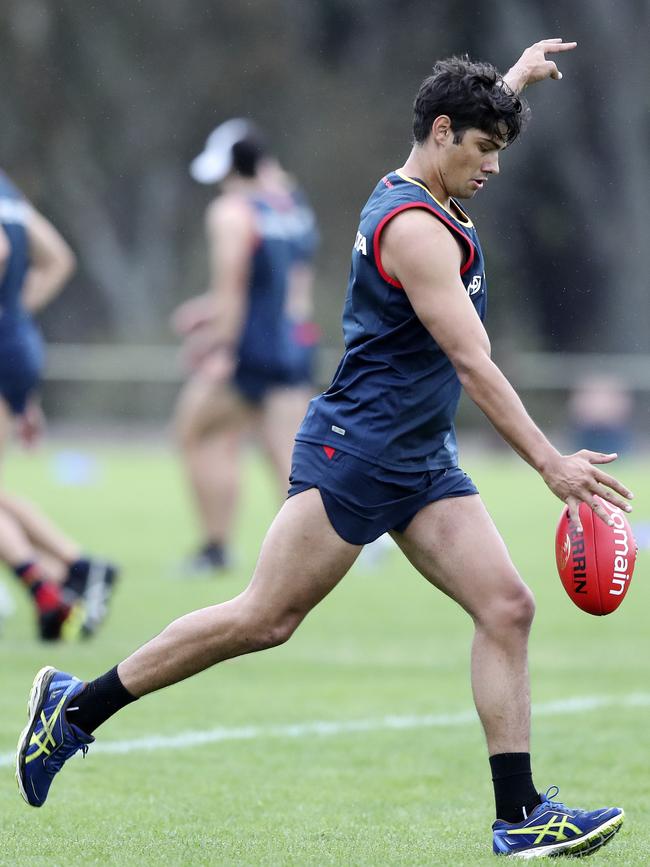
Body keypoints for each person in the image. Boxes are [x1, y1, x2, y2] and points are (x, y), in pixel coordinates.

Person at [16, 40, 632, 857]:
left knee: (507, 606)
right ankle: (75, 706)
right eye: (484, 149)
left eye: (500, 151)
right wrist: (551, 462)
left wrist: (510, 83)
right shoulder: (415, 230)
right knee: (264, 618)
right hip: (360, 451)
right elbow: (473, 362)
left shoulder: (426, 176)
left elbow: (468, 128)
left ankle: (519, 817)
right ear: (443, 133)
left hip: (419, 458)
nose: (492, 167)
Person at [171, 119, 320, 573]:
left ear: (232, 168)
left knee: (195, 431)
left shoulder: (232, 212)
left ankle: (216, 548)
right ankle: (341, 539)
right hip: (292, 346)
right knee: (288, 453)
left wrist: (219, 348)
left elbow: (235, 290)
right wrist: (211, 311)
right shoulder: (289, 210)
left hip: (252, 353)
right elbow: (283, 289)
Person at [0, 170, 117, 639]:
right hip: (15, 345)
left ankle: (61, 574)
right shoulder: (10, 188)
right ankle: (65, 574)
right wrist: (15, 314)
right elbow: (57, 259)